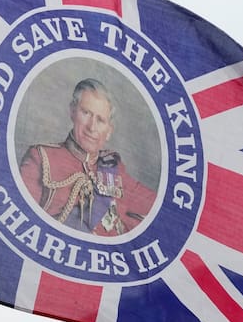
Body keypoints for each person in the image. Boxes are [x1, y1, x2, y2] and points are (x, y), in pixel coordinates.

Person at [18, 78, 157, 236]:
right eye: (86, 113)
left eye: (100, 120)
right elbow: (22, 221)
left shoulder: (113, 168)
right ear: (72, 111)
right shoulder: (42, 158)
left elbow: (161, 210)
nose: (92, 127)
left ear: (109, 131)